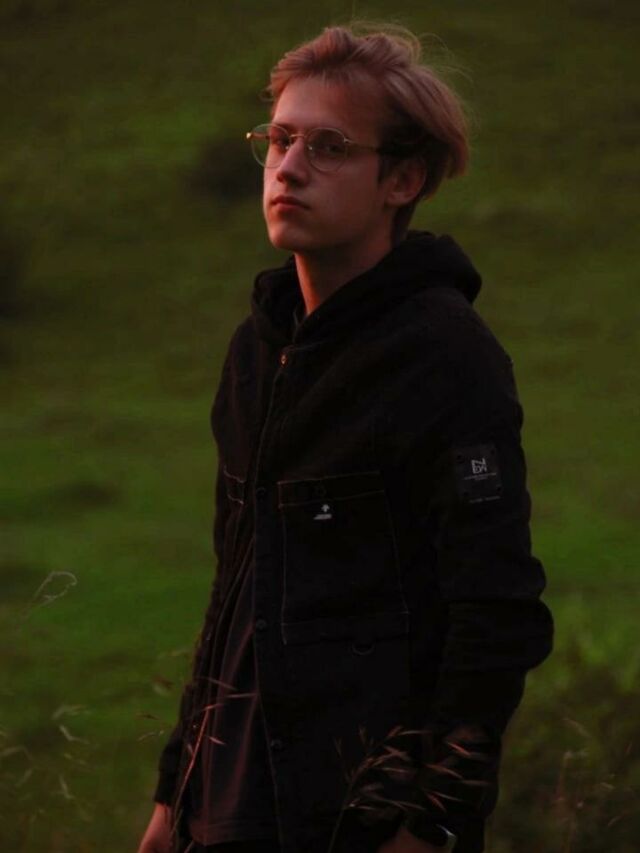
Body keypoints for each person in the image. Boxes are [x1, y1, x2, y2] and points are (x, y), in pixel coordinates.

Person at [137, 23, 553, 853]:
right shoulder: (257, 350)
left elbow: (495, 610)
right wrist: (172, 794)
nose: (289, 168)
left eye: (328, 147)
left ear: (402, 179)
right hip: (227, 807)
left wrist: (432, 823)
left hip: (355, 816)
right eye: (279, 140)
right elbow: (235, 594)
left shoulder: (445, 355)